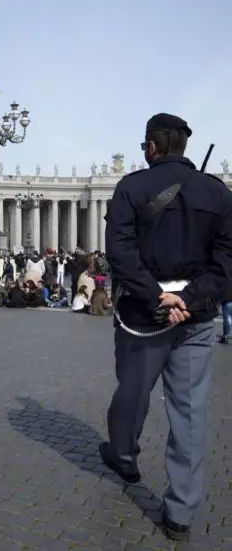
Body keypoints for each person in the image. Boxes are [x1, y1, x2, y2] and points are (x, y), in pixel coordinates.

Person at [102, 113, 232, 541]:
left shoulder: (131, 188)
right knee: (190, 411)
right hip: (196, 316)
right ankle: (180, 512)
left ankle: (123, 455)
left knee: (132, 392)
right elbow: (227, 265)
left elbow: (119, 253)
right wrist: (189, 297)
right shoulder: (218, 193)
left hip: (143, 313)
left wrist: (157, 296)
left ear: (151, 147)